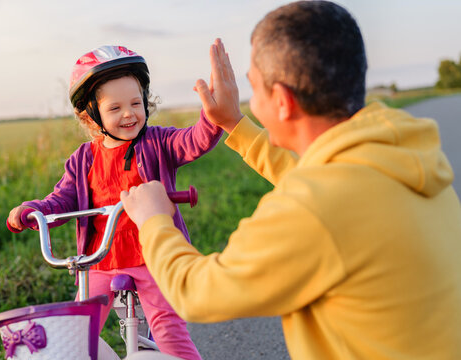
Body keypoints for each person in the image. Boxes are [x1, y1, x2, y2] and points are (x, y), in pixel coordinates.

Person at [121, 1, 461, 359]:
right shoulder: (399, 156)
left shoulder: (316, 209)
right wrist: (234, 123)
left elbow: (195, 293)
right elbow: (318, 182)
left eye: (254, 86)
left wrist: (154, 221)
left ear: (282, 100)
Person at [7, 45, 223, 360]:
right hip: (100, 260)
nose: (129, 113)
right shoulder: (83, 159)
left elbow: (195, 140)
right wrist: (34, 211)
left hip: (153, 257)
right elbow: (62, 200)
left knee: (168, 331)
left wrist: (212, 117)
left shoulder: (158, 143)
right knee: (75, 331)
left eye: (136, 103)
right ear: (90, 115)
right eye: (115, 107)